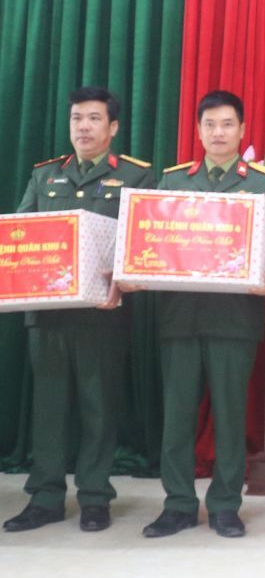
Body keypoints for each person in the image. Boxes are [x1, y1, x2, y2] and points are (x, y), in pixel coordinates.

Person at [133, 90, 265, 539]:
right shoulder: (174, 182)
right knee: (177, 418)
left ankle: (225, 506)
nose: (218, 133)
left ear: (242, 130)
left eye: (227, 124)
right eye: (210, 125)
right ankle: (178, 505)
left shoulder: (263, 184)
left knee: (230, 416)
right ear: (198, 130)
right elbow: (151, 233)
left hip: (234, 318)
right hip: (180, 316)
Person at [3, 87, 153, 534]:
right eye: (76, 119)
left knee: (98, 408)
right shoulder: (45, 175)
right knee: (48, 409)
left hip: (102, 313)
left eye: (93, 118)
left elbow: (142, 241)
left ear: (113, 127)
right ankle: (45, 498)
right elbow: (19, 235)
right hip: (47, 314)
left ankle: (94, 497)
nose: (83, 127)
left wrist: (122, 279)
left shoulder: (135, 176)